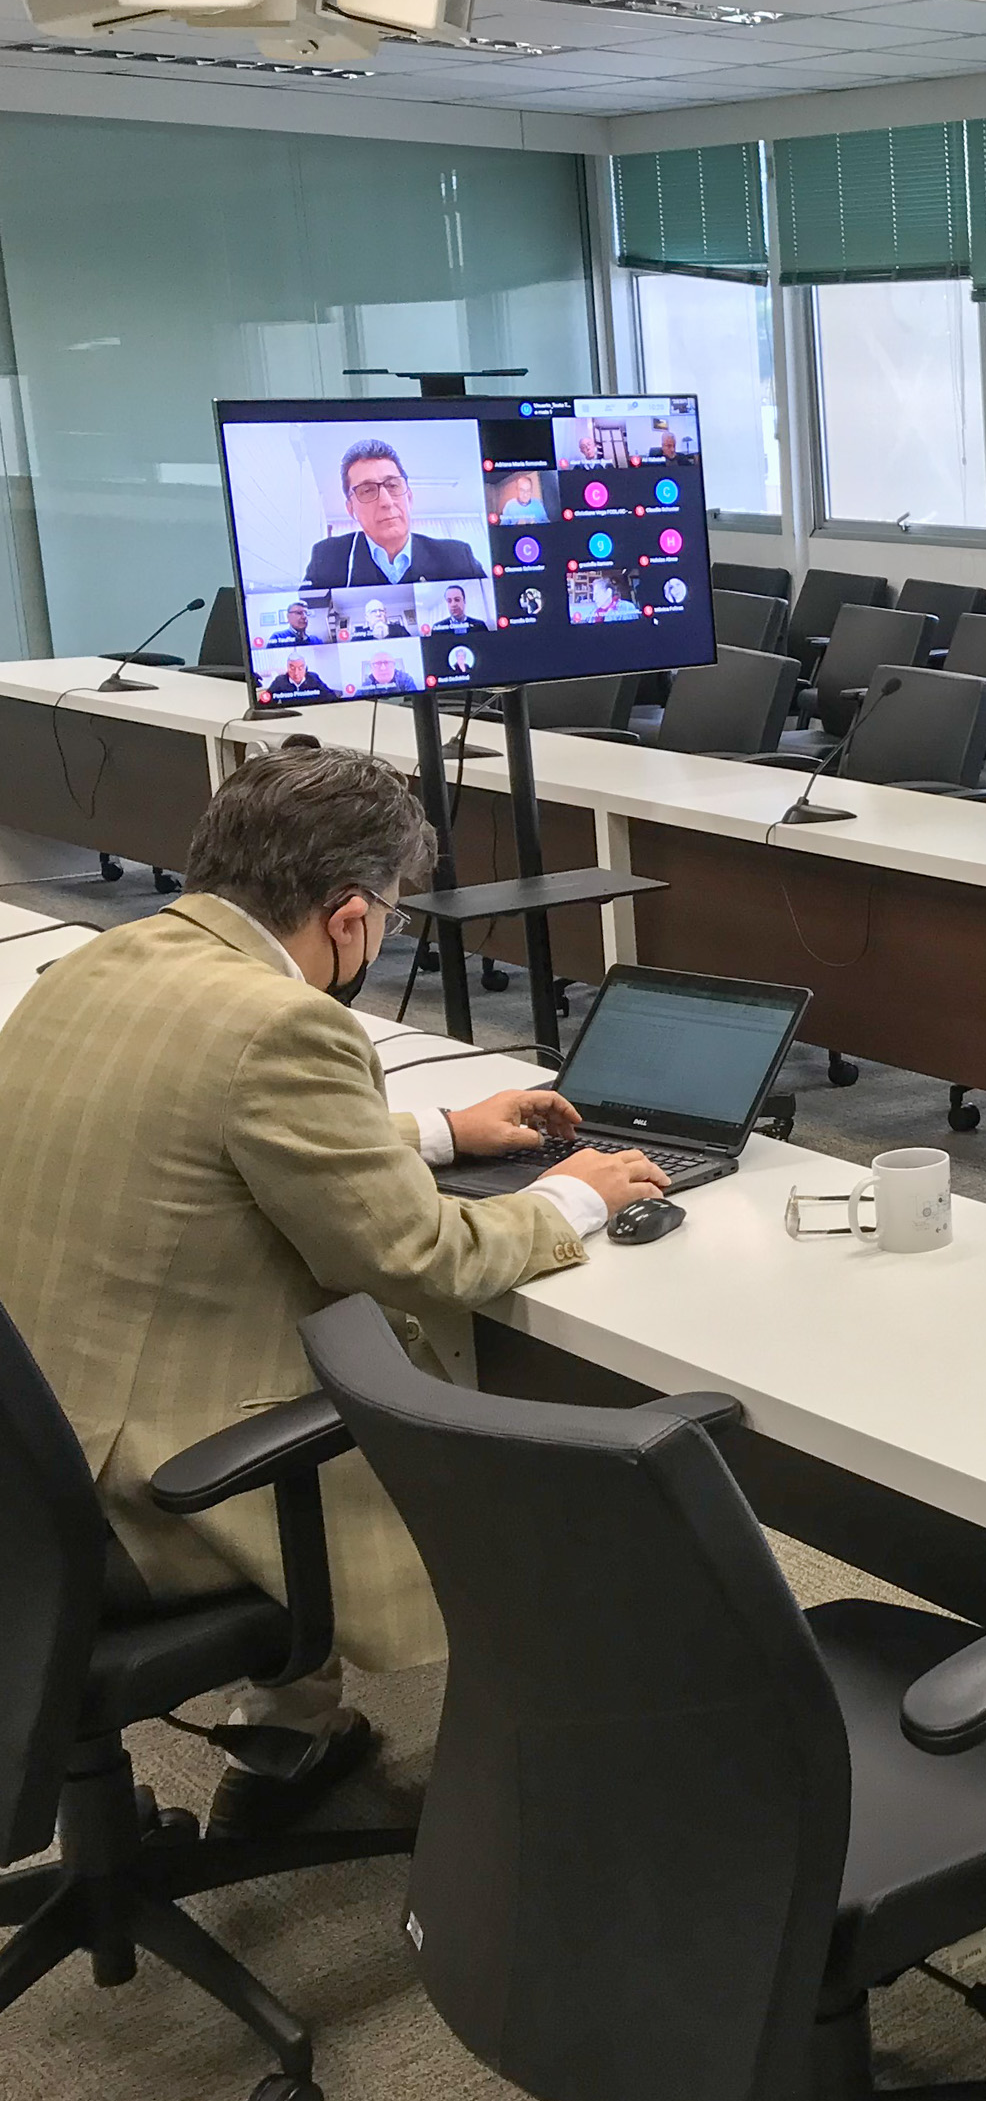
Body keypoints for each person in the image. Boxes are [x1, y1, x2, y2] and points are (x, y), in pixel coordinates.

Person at [0, 747, 668, 1837]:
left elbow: (203, 1120)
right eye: (391, 918)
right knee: (534, 1466)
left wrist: (441, 1130)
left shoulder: (100, 962)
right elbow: (421, 1256)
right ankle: (552, 1800)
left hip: (31, 1469)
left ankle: (292, 1727)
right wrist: (571, 1199)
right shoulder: (284, 1024)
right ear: (350, 916)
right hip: (139, 1498)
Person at [301, 438, 486, 587]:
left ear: (409, 498)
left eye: (392, 485)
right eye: (367, 490)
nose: (386, 502)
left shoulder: (457, 557)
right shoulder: (326, 558)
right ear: (351, 509)